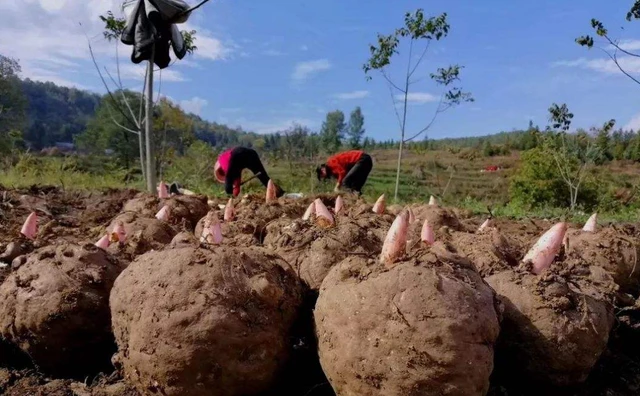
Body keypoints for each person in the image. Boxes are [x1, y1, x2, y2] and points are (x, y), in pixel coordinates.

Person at [213, 146, 284, 197]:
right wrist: (235, 191)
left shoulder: (222, 159)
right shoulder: (234, 167)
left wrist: (230, 193)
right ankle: (279, 193)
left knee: (263, 176)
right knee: (263, 176)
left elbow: (229, 178)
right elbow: (236, 183)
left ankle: (229, 197)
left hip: (239, 153)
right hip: (252, 153)